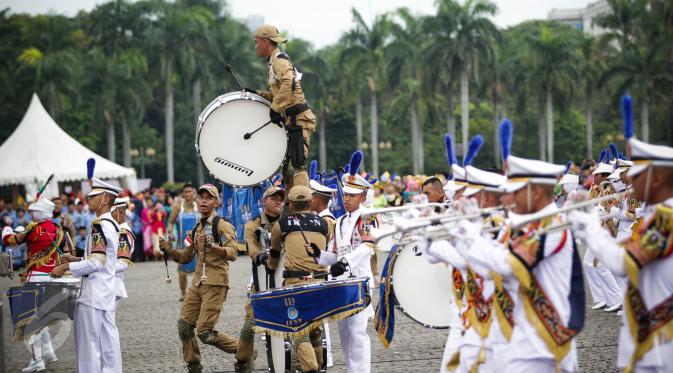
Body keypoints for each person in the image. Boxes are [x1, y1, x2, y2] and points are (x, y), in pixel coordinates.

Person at [450, 151, 585, 372]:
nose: (508, 199)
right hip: (526, 339)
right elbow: (487, 268)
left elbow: (507, 264)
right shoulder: (529, 225)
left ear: (537, 192)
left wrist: (471, 233)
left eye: (516, 192)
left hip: (546, 341)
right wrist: (467, 232)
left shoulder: (551, 225)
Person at [568, 100, 673, 373]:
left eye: (635, 178)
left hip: (660, 345)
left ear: (658, 179)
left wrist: (591, 226)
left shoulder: (666, 220)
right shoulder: (658, 215)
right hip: (649, 338)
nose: (628, 184)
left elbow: (622, 262)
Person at [160, 183, 239, 373]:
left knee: (204, 332)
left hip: (215, 283)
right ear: (196, 200)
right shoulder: (195, 229)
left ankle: (243, 349)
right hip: (197, 283)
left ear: (216, 201)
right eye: (201, 197)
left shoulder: (222, 225)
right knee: (184, 326)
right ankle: (193, 365)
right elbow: (185, 256)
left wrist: (213, 247)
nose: (204, 201)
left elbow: (233, 252)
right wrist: (169, 250)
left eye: (209, 197)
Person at [51, 176, 124, 373]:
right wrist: (75, 260)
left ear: (105, 200)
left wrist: (65, 268)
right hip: (105, 291)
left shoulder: (99, 225)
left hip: (94, 294)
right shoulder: (110, 224)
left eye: (94, 196)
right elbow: (103, 258)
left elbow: (97, 262)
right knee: (109, 341)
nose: (88, 199)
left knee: (88, 345)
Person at [316, 152, 378, 373]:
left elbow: (368, 245)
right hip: (341, 284)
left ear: (362, 196)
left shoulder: (368, 217)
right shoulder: (340, 220)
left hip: (359, 282)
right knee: (344, 334)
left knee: (358, 334)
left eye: (353, 195)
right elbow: (333, 254)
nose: (347, 198)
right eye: (346, 194)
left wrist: (345, 262)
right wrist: (318, 255)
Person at [267, 185, 330, 373]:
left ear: (291, 204)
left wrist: (270, 266)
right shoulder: (325, 223)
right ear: (310, 202)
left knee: (298, 329)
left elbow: (274, 254)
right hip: (319, 284)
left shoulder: (282, 224)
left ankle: (311, 368)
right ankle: (319, 365)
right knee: (315, 329)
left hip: (296, 284)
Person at [247, 24, 317, 190]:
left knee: (297, 168)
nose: (256, 46)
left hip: (299, 120)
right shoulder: (272, 63)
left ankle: (302, 209)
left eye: (257, 42)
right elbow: (278, 93)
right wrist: (257, 94)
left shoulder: (279, 60)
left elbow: (289, 83)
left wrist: (275, 108)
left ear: (265, 42)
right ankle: (291, 208)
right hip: (292, 121)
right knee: (288, 171)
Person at [2, 196, 64, 372]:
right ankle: (49, 352)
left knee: (29, 322)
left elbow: (11, 241)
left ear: (41, 212)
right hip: (52, 277)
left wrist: (6, 230)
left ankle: (37, 360)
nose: (31, 212)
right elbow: (67, 250)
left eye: (34, 210)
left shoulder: (35, 230)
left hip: (35, 278)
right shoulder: (58, 230)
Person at [234, 186, 285, 373]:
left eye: (281, 198)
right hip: (262, 282)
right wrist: (263, 256)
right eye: (274, 198)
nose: (279, 201)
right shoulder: (252, 224)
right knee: (250, 325)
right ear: (264, 201)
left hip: (286, 282)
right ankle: (243, 361)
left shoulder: (288, 222)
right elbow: (252, 249)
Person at [309, 179, 337, 368]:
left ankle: (326, 357)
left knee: (321, 320)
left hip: (321, 270)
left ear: (317, 200)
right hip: (317, 269)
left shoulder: (326, 221)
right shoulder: (321, 218)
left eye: (310, 197)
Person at [168, 184, 199, 301]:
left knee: (199, 268)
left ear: (193, 193)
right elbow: (170, 221)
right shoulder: (177, 206)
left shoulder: (199, 205)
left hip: (197, 243)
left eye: (189, 191)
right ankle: (183, 292)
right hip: (182, 243)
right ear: (183, 194)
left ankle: (197, 292)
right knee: (182, 270)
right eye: (185, 192)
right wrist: (170, 232)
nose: (187, 194)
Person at [111, 197, 134, 309]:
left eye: (112, 212)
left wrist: (98, 268)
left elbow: (122, 264)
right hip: (109, 283)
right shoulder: (116, 230)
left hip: (113, 283)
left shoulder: (123, 234)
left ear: (120, 212)